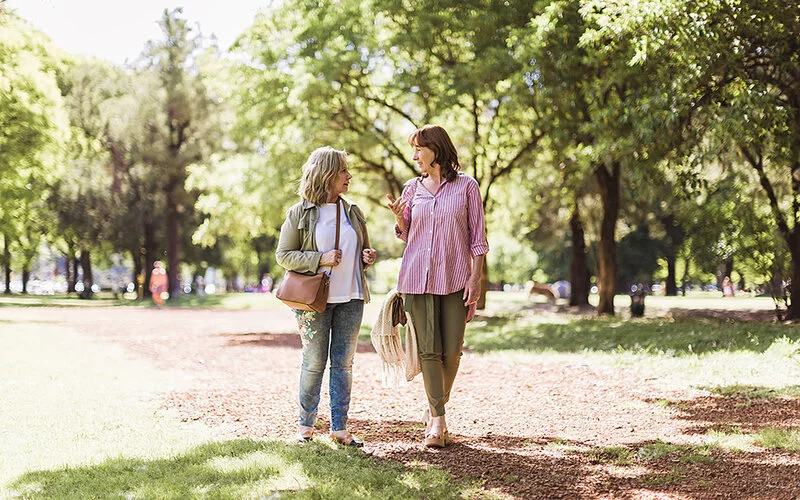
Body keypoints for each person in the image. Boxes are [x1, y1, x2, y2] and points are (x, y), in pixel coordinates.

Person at [386, 124, 489, 448]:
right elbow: (405, 235)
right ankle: (438, 421)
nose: (414, 155)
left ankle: (433, 408)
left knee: (452, 352)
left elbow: (478, 239)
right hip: (417, 278)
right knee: (429, 351)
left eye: (419, 148)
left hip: (456, 278)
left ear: (436, 149)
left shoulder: (467, 187)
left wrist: (476, 279)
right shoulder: (411, 189)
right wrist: (400, 218)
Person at [276, 146, 376, 447]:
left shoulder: (353, 212)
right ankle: (305, 425)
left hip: (352, 296)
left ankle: (339, 427)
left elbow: (360, 253)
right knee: (314, 361)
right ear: (327, 174)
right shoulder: (299, 213)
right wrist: (320, 258)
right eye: (344, 171)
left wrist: (367, 257)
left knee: (343, 364)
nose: (349, 176)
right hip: (313, 299)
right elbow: (284, 255)